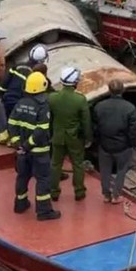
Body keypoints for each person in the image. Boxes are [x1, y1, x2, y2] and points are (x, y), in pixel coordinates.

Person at [8, 71, 60, 221]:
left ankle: (20, 203)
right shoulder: (43, 106)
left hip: (22, 152)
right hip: (39, 152)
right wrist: (27, 145)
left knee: (22, 176)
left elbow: (11, 124)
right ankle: (44, 211)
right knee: (43, 179)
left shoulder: (20, 103)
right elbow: (41, 130)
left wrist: (18, 144)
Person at [49, 66, 92, 201]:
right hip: (74, 139)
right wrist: (88, 138)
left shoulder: (52, 98)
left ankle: (53, 192)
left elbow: (50, 119)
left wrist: (51, 134)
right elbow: (86, 122)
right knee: (78, 164)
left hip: (57, 136)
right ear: (75, 82)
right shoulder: (80, 100)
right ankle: (79, 191)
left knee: (55, 164)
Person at [93, 79, 136, 204]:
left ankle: (106, 195)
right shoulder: (130, 108)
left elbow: (95, 126)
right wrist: (131, 144)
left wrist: (98, 140)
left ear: (109, 90)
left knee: (105, 170)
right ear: (122, 90)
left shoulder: (99, 106)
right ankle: (116, 195)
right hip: (122, 146)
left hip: (104, 145)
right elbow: (133, 129)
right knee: (121, 170)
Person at [0, 43, 48, 116]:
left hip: (7, 102)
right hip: (20, 106)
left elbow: (3, 87)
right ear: (42, 61)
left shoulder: (17, 67)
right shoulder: (35, 77)